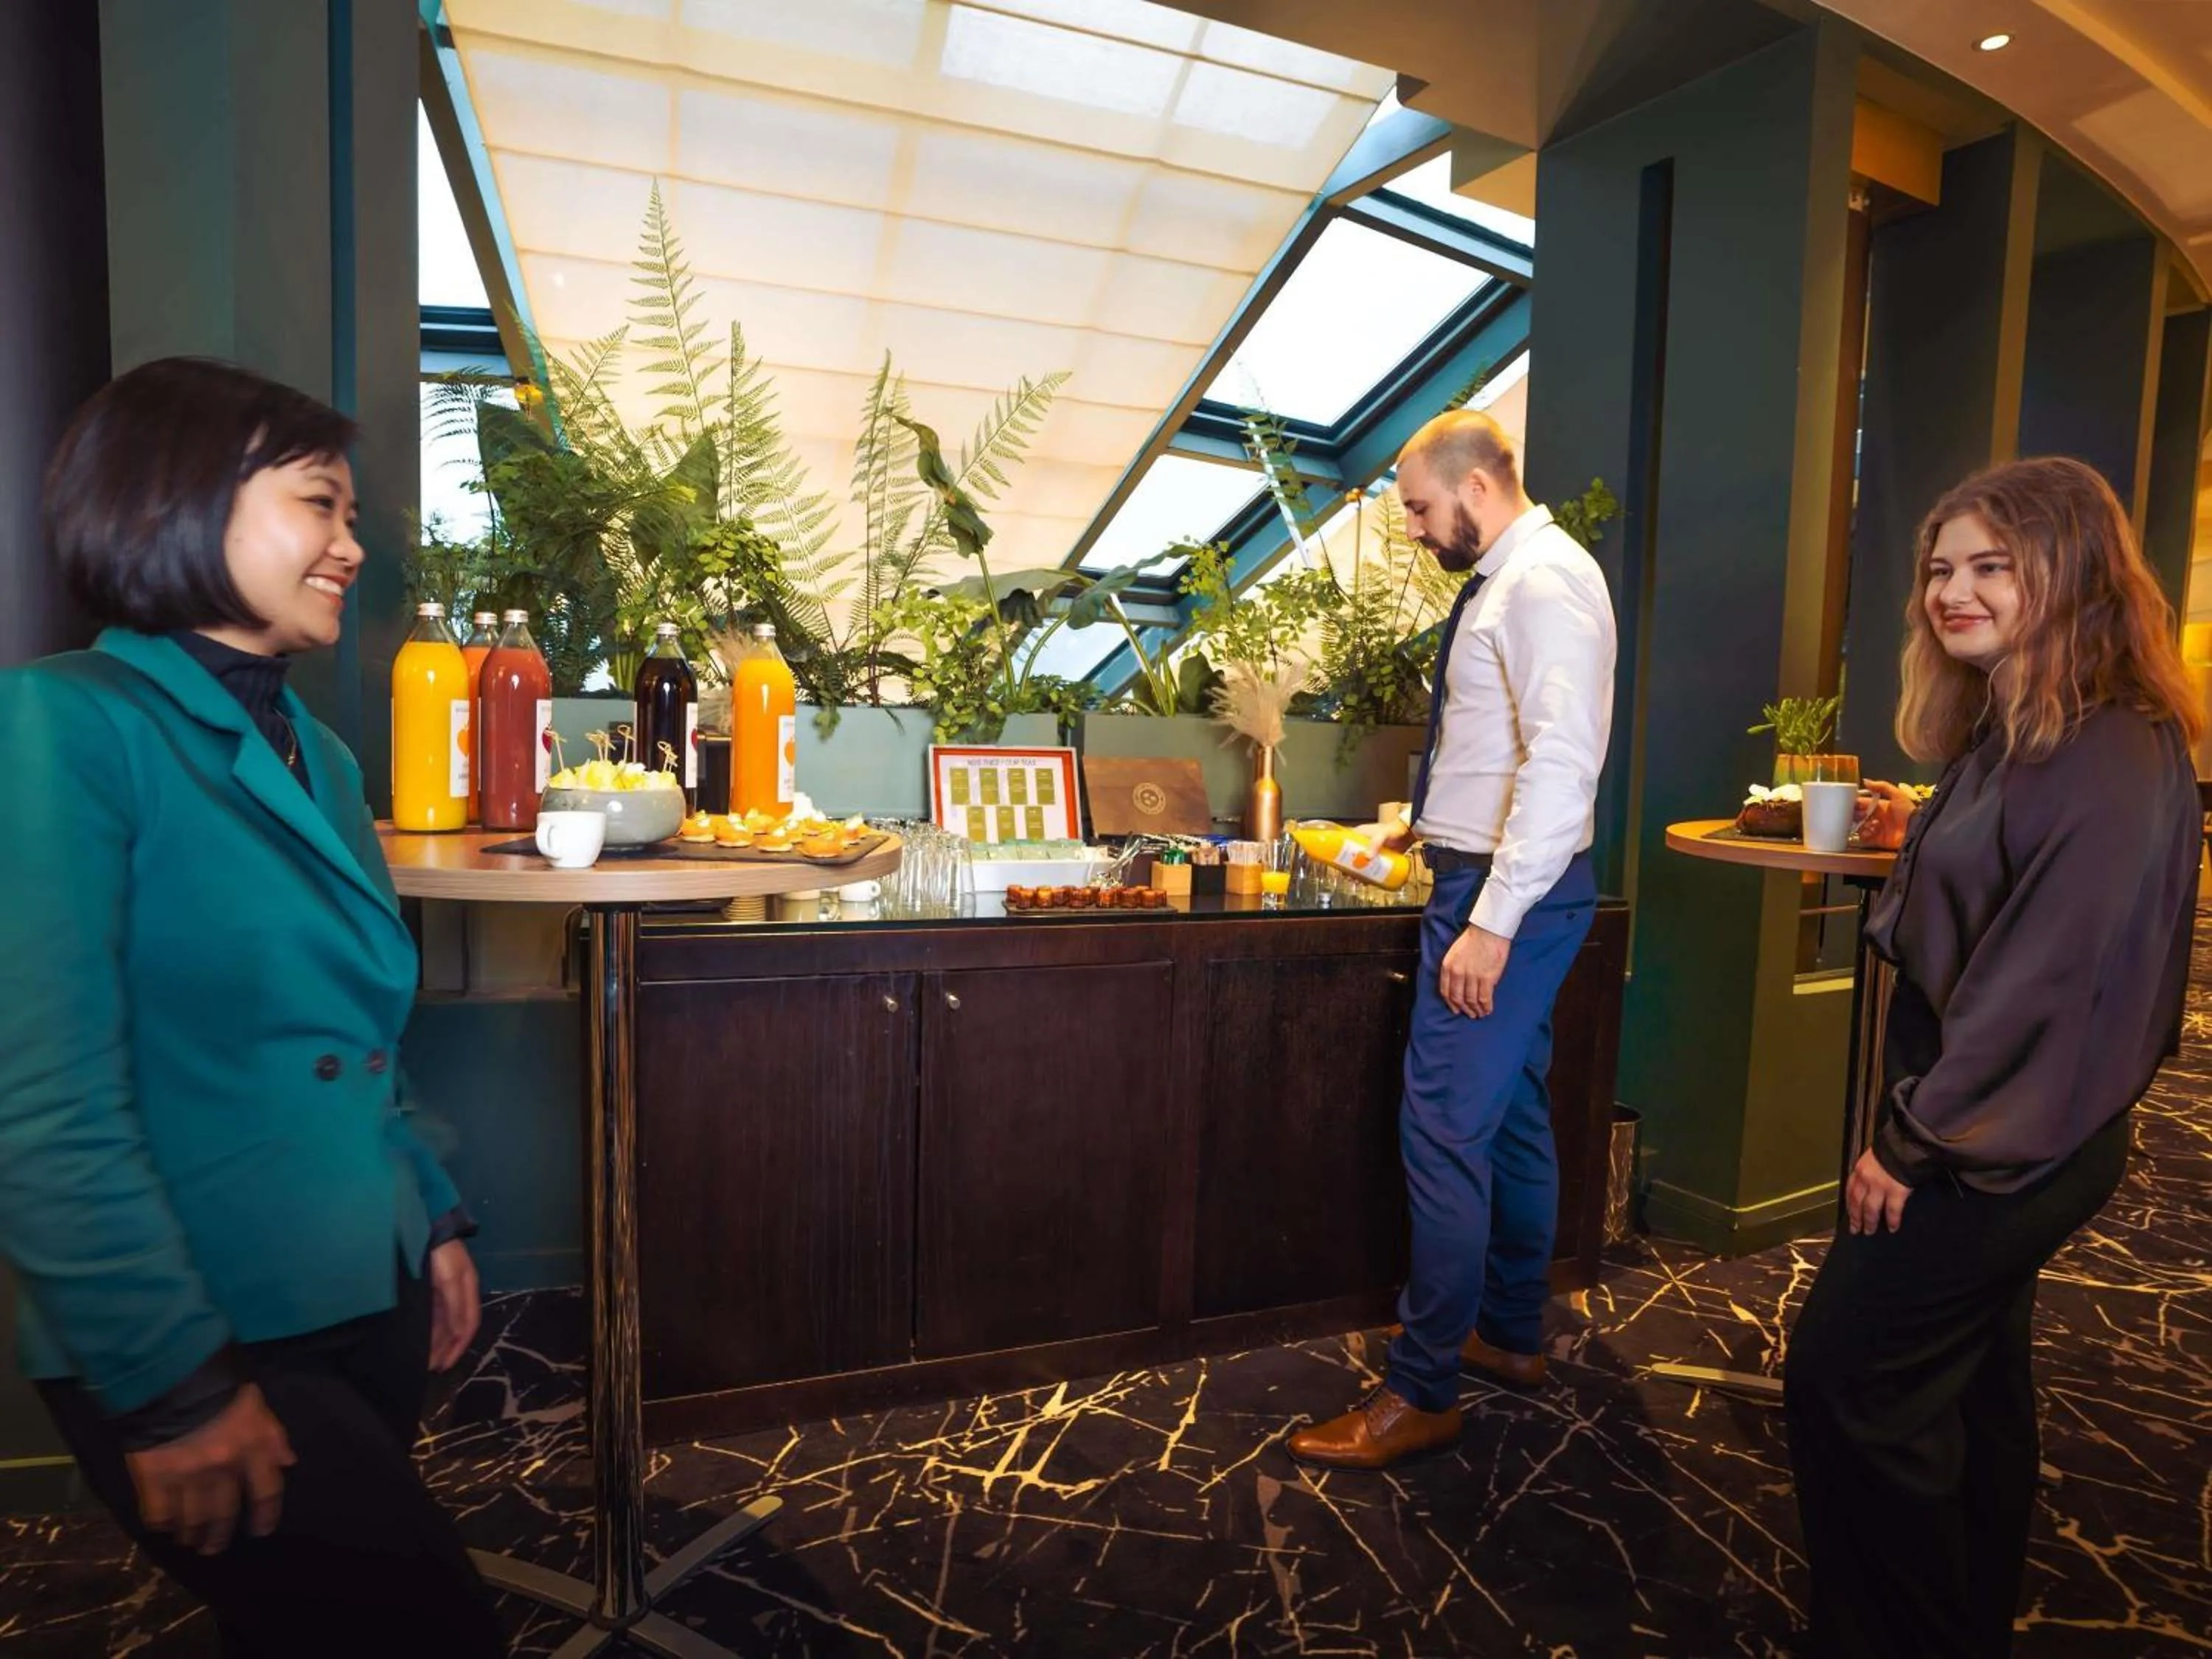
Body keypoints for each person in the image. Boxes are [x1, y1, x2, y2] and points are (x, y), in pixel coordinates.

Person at [0, 358, 507, 1656]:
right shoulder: (61, 722)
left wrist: (431, 1211)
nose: (352, 544)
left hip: (359, 1283)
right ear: (179, 500)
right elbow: (44, 1097)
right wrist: (170, 1383)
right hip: (202, 1321)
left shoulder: (322, 754)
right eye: (320, 505)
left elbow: (355, 1029)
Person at [1784, 456, 2200, 1658]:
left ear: (2069, 572)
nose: (1950, 592)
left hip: (1998, 1133)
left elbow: (2048, 980)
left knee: (1847, 1383)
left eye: (1989, 567)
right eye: (1939, 569)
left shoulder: (2108, 747)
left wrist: (1914, 1137)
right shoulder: (2025, 727)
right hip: (1995, 1112)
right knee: (1965, 1389)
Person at [1288, 408, 1616, 1469]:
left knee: (1441, 1129)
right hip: (1489, 875)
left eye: (1423, 509)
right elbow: (1507, 750)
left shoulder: (1543, 581)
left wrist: (1488, 919)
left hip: (1507, 892)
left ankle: (1424, 1388)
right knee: (1514, 1111)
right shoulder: (1512, 581)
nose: (1419, 532)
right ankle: (1509, 1332)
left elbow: (1563, 768)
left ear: (1477, 485)